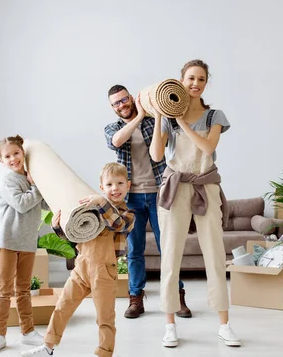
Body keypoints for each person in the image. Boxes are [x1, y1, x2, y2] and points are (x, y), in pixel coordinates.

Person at [149, 60, 241, 348]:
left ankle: (224, 325)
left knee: (214, 252)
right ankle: (170, 324)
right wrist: (161, 119)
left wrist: (181, 124)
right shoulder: (168, 116)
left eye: (201, 79)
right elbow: (156, 155)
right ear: (181, 79)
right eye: (190, 78)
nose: (195, 83)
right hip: (175, 186)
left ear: (206, 82)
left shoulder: (215, 115)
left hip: (205, 185)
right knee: (171, 253)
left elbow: (208, 148)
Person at [21, 162, 136, 357]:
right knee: (62, 306)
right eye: (109, 185)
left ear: (128, 185)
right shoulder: (90, 208)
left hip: (104, 271)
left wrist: (100, 202)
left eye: (119, 183)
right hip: (81, 266)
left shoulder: (127, 214)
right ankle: (48, 346)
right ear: (102, 187)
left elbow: (117, 224)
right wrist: (59, 227)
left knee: (105, 317)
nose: (114, 188)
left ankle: (104, 353)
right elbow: (75, 237)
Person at [105, 85, 191, 318]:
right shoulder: (113, 128)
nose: (121, 105)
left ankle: (176, 296)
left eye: (124, 100)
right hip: (131, 197)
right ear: (112, 107)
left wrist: (150, 112)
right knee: (134, 250)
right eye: (116, 103)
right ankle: (136, 298)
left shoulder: (154, 121)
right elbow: (115, 142)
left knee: (168, 247)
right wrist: (139, 116)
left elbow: (175, 131)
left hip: (160, 193)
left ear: (132, 98)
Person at [0, 135, 49, 355]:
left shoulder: (31, 178)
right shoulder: (7, 181)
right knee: (4, 290)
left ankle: (28, 332)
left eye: (16, 153)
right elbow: (22, 204)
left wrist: (40, 183)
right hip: (7, 241)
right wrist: (37, 186)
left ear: (23, 153)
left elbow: (45, 204)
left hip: (28, 241)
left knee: (23, 289)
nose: (13, 159)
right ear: (2, 161)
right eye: (7, 156)